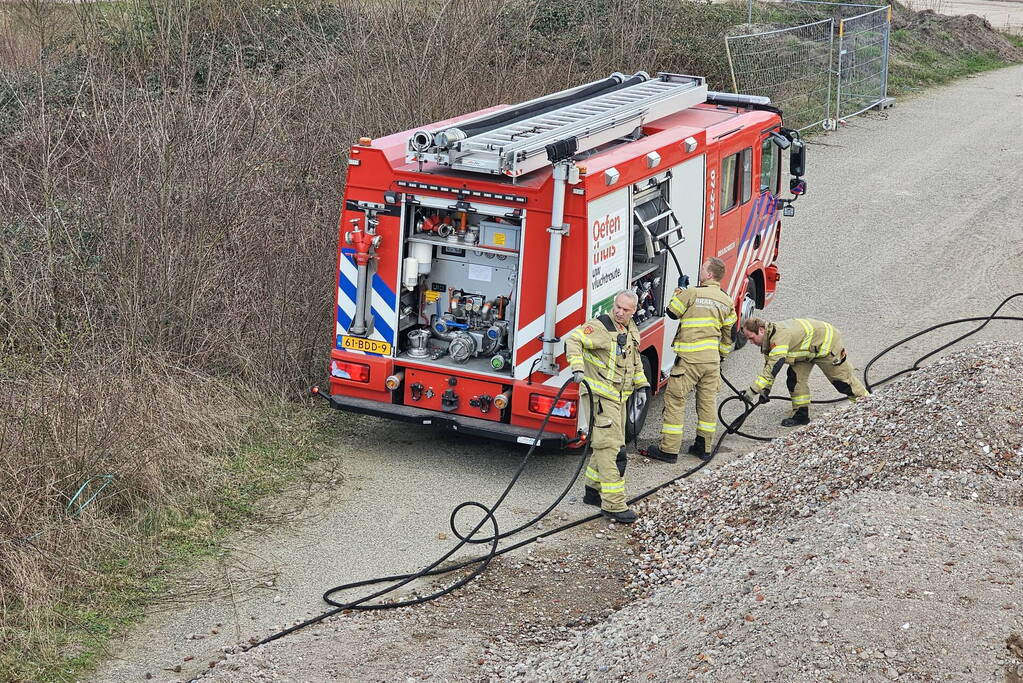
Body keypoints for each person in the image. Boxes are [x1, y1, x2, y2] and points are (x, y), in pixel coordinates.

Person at [565, 290, 649, 524]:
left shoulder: (630, 329)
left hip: (619, 398)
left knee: (609, 444)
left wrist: (642, 386)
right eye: (617, 307)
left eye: (625, 310)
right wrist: (577, 367)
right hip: (600, 397)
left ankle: (592, 490)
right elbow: (573, 340)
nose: (619, 312)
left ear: (633, 311)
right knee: (610, 448)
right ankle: (613, 504)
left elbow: (634, 361)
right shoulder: (600, 327)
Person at [644, 257, 736, 464]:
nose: (701, 271)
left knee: (676, 401)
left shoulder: (693, 293)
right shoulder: (726, 300)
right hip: (711, 362)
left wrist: (679, 291)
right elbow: (730, 334)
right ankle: (703, 448)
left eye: (704, 269)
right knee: (707, 403)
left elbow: (672, 312)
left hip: (688, 361)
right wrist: (720, 356)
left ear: (710, 274)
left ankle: (668, 450)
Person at [740, 317, 870, 426]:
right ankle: (801, 415)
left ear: (761, 330)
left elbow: (774, 367)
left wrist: (752, 391)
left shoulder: (779, 337)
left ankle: (867, 405)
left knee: (843, 382)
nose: (750, 342)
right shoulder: (769, 341)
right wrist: (765, 390)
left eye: (751, 338)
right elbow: (769, 367)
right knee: (795, 380)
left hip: (826, 346)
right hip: (806, 352)